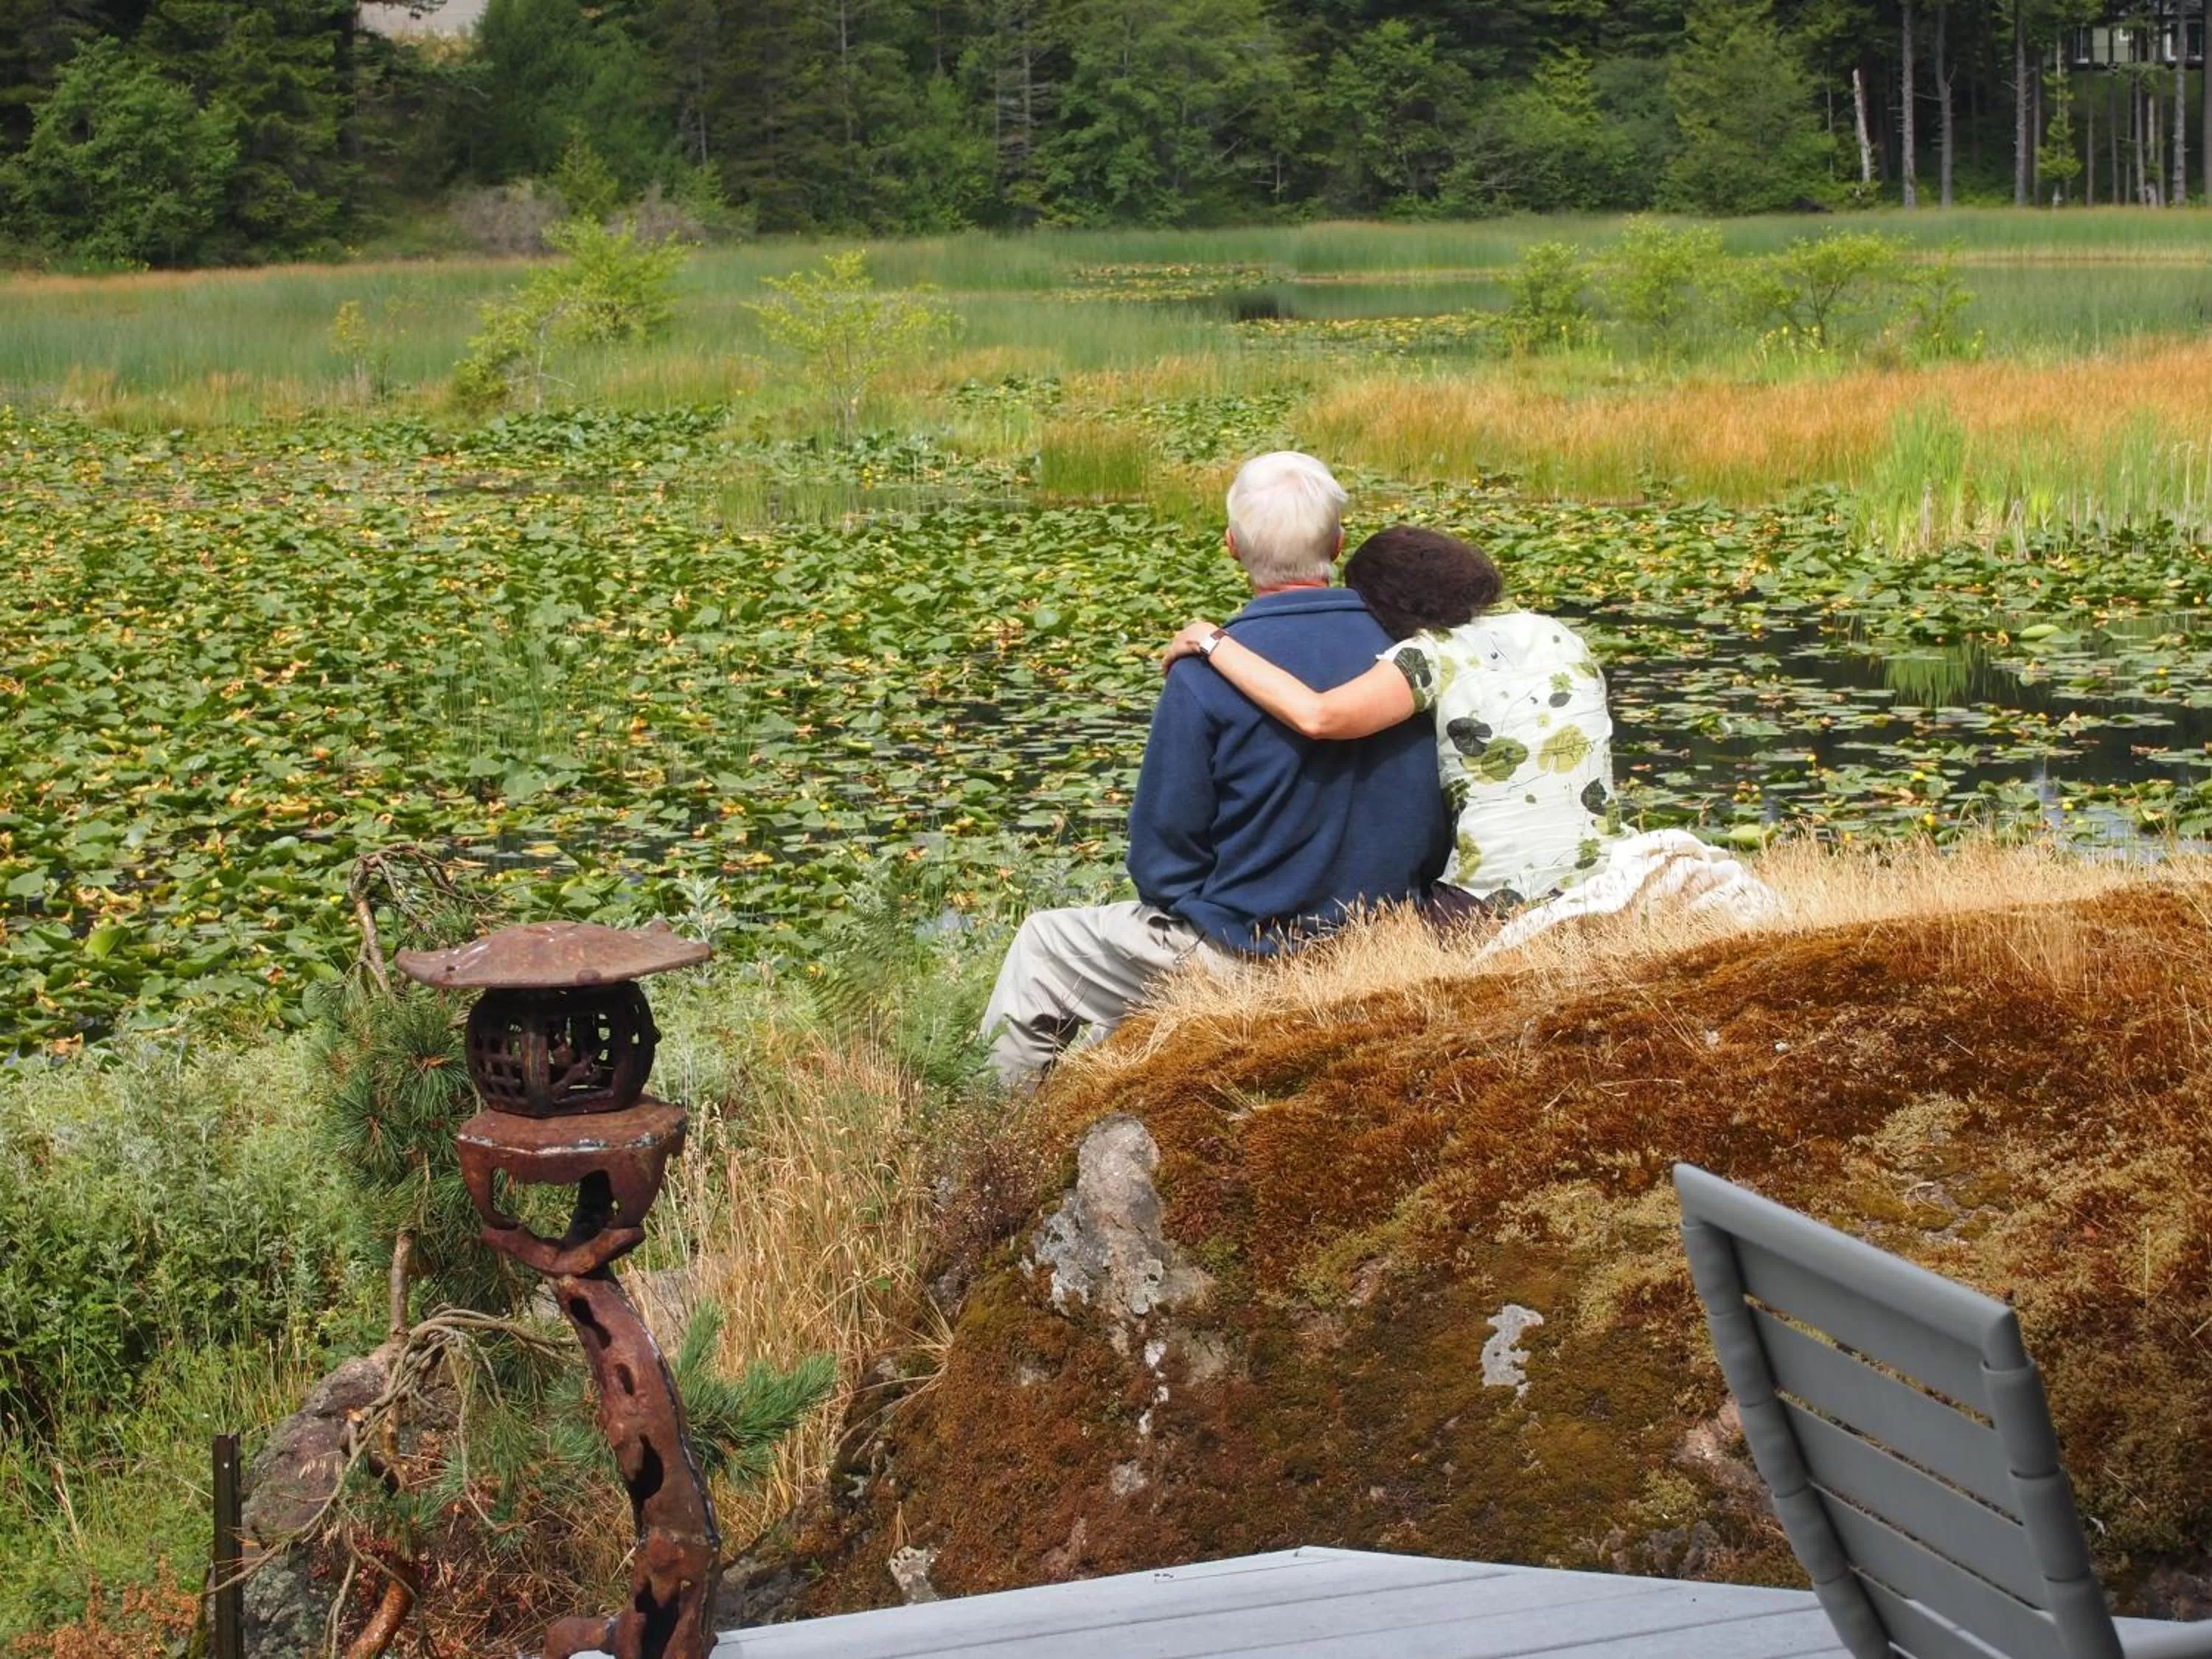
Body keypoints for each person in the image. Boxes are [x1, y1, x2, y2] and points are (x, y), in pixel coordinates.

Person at [978, 454, 1450, 1089]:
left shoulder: (1204, 676)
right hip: (1386, 940)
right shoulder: (1414, 657)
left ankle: (999, 1132)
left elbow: (1163, 858)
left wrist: (1213, 912)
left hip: (1249, 954)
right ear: (1338, 544)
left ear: (1232, 546)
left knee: (1043, 946)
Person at [1162, 525, 1617, 918]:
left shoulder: (1430, 656)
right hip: (1603, 876)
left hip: (1491, 900)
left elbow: (1318, 716)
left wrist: (1212, 642)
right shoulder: (1556, 634)